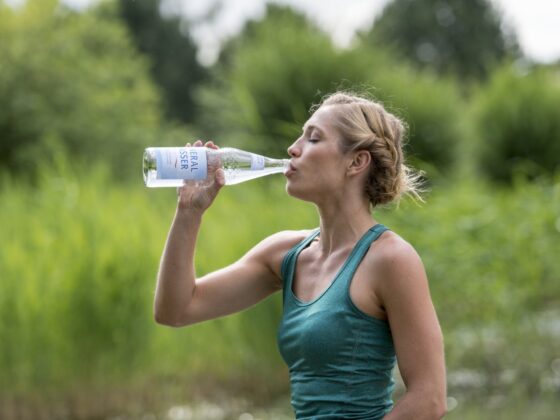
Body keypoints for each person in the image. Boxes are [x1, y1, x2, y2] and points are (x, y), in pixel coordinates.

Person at [154, 91, 447, 419]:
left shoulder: (390, 259)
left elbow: (430, 398)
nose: (293, 148)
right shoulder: (285, 254)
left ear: (356, 162)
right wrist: (189, 212)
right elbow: (176, 309)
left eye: (314, 138)